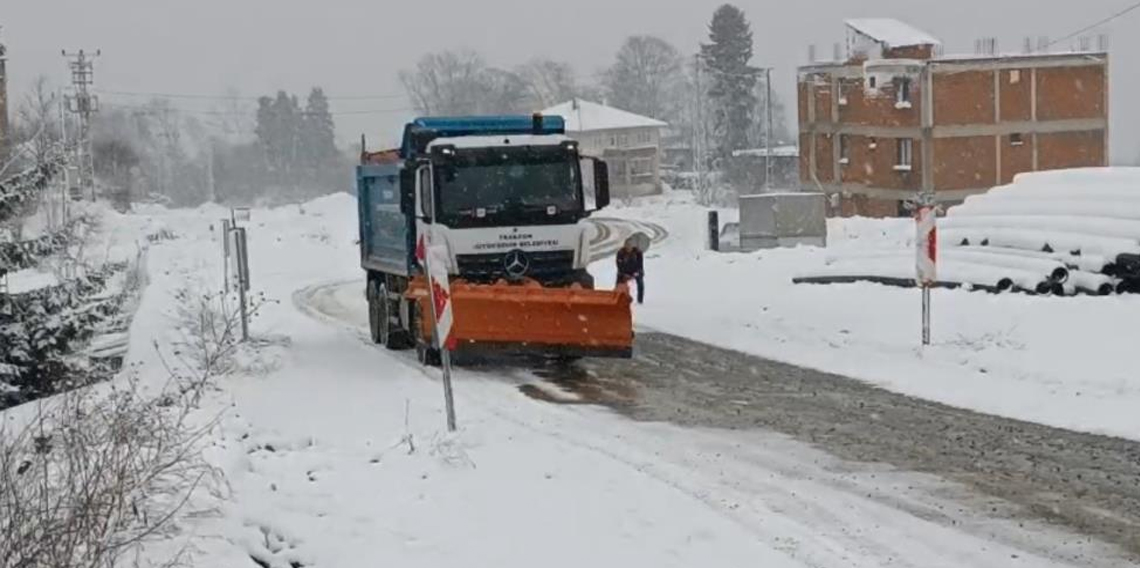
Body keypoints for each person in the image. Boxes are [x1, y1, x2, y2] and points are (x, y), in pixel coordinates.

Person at [615, 238, 645, 304]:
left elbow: (640, 265)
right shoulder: (620, 253)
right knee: (618, 283)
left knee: (640, 282)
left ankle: (640, 300)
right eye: (627, 245)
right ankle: (616, 298)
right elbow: (619, 265)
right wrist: (624, 274)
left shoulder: (638, 253)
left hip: (635, 271)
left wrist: (636, 273)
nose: (628, 247)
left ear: (632, 246)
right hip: (624, 272)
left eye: (630, 245)